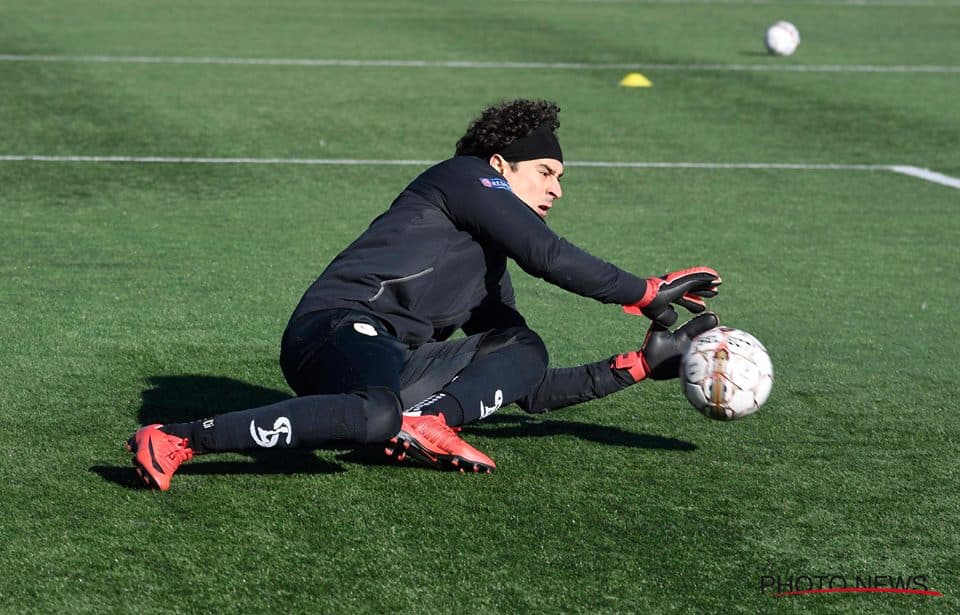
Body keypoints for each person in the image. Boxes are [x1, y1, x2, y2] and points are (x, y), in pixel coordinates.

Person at [126, 99, 722, 491]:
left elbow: (524, 388)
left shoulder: (487, 263)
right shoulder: (462, 177)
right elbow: (549, 255)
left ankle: (429, 421)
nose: (557, 189)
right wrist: (647, 291)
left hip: (391, 360)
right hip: (333, 329)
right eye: (546, 172)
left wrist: (640, 365)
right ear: (499, 167)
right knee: (381, 410)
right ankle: (179, 436)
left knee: (523, 347)